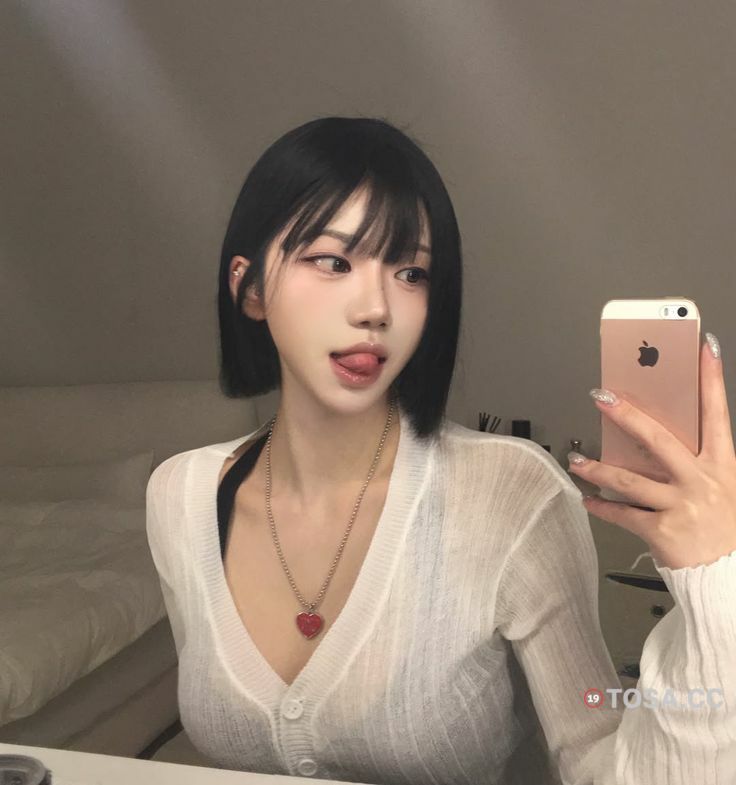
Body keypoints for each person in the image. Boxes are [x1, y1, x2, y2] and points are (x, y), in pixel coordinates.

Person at [146, 116, 736, 783]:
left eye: (411, 272)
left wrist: (717, 583)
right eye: (333, 261)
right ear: (250, 287)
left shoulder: (511, 492)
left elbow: (599, 764)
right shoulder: (179, 495)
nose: (376, 307)